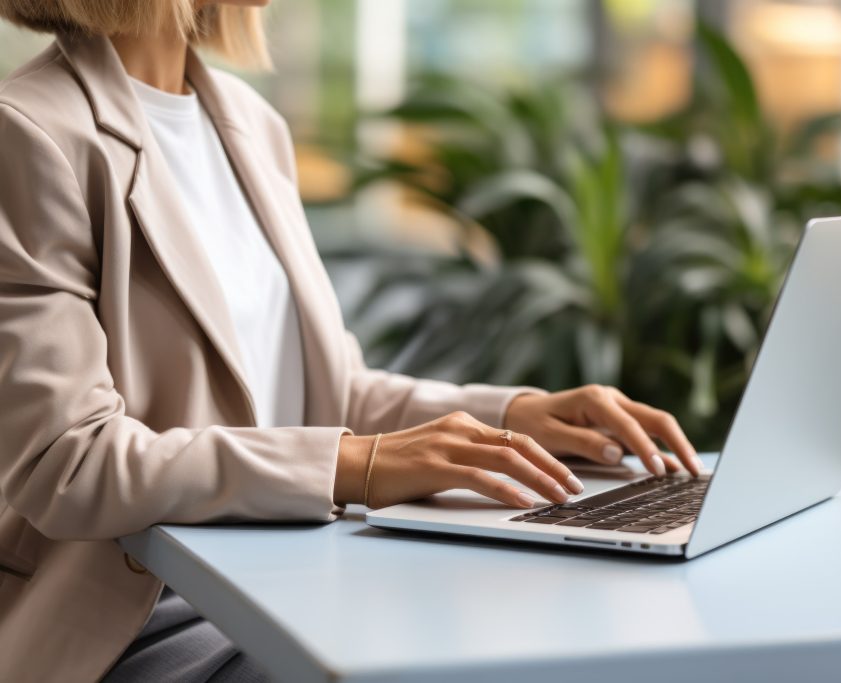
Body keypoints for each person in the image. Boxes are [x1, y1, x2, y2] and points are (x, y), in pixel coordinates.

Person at [0, 1, 701, 680]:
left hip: (287, 584)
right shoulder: (29, 133)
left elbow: (328, 388)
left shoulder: (249, 123)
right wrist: (353, 463)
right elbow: (68, 460)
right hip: (146, 624)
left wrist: (513, 417)